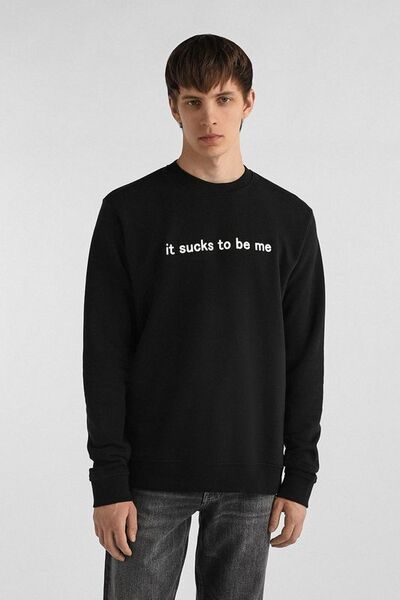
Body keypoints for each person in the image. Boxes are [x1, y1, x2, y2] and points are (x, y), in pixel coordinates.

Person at [83, 33, 326, 600]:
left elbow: (305, 354)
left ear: (248, 102)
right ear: (173, 107)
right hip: (149, 480)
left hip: (252, 478)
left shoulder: (289, 219)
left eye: (223, 98)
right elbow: (104, 352)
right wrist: (109, 480)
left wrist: (300, 476)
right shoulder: (129, 212)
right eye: (192, 101)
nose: (208, 116)